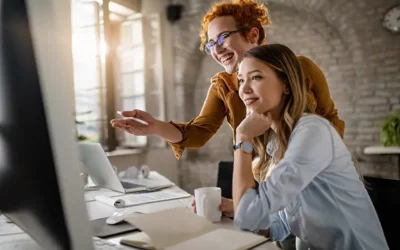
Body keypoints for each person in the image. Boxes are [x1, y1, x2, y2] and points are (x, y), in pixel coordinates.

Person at [110, 0, 344, 247]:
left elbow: (330, 119)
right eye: (210, 43)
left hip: (317, 182)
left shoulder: (300, 68)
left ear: (252, 34)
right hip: (271, 185)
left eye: (223, 38)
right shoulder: (222, 85)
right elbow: (198, 132)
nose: (216, 48)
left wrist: (319, 163)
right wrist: (156, 127)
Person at [232, 43, 388, 250]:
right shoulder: (276, 143)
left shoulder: (313, 131)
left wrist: (242, 139)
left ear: (286, 84)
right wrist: (238, 208)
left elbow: (248, 218)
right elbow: (284, 223)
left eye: (256, 77)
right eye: (241, 80)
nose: (244, 89)